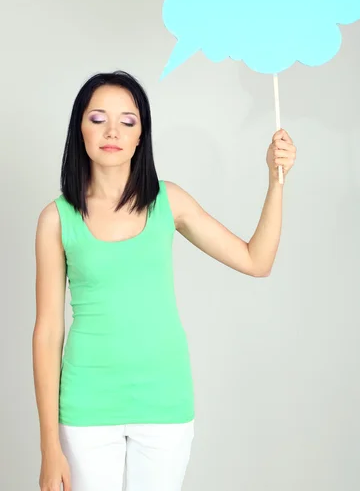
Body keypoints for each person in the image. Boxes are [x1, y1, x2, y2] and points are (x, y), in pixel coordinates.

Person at [32, 70, 296, 491]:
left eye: (128, 121)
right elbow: (47, 333)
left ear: (142, 136)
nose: (113, 130)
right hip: (86, 405)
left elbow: (255, 260)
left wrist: (276, 181)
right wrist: (49, 446)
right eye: (98, 118)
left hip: (164, 402)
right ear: (79, 128)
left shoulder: (169, 201)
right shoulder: (55, 219)